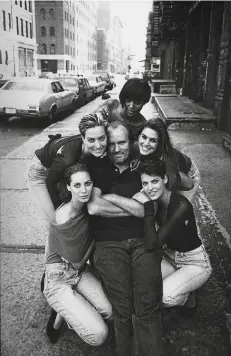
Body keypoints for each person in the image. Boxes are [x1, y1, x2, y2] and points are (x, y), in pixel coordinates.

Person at [87, 121, 163, 356]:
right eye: (112, 144)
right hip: (108, 244)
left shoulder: (142, 166)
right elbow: (94, 208)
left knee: (147, 305)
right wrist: (134, 205)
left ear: (129, 142)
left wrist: (112, 197)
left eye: (122, 143)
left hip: (142, 240)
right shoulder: (96, 169)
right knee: (122, 306)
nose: (117, 149)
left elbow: (148, 210)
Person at [43, 163, 112, 344]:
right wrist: (94, 241)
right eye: (77, 185)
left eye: (87, 184)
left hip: (80, 272)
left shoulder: (90, 208)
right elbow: (76, 261)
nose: (84, 190)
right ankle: (61, 309)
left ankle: (68, 309)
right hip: (60, 275)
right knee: (99, 336)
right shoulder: (65, 216)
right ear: (68, 187)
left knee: (111, 312)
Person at [134, 159, 212, 312]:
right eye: (145, 183)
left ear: (165, 179)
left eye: (155, 181)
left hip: (194, 262)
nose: (150, 188)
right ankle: (183, 282)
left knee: (165, 297)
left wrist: (148, 208)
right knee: (143, 286)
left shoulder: (181, 205)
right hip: (169, 257)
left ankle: (188, 292)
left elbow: (152, 244)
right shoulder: (156, 201)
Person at [28, 112, 108, 220]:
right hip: (42, 172)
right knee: (55, 221)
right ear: (83, 139)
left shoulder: (99, 148)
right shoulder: (67, 159)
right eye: (91, 140)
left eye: (102, 138)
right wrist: (59, 212)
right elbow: (51, 182)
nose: (98, 145)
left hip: (65, 165)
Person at [133, 117, 200, 203]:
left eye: (153, 140)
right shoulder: (136, 146)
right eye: (144, 137)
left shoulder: (165, 161)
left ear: (159, 144)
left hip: (188, 175)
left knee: (176, 210)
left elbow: (189, 185)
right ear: (139, 136)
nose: (146, 144)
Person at [94, 78, 151, 142]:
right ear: (123, 98)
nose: (131, 106)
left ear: (144, 102)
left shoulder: (141, 125)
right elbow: (86, 123)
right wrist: (98, 118)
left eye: (137, 103)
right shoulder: (111, 105)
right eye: (128, 100)